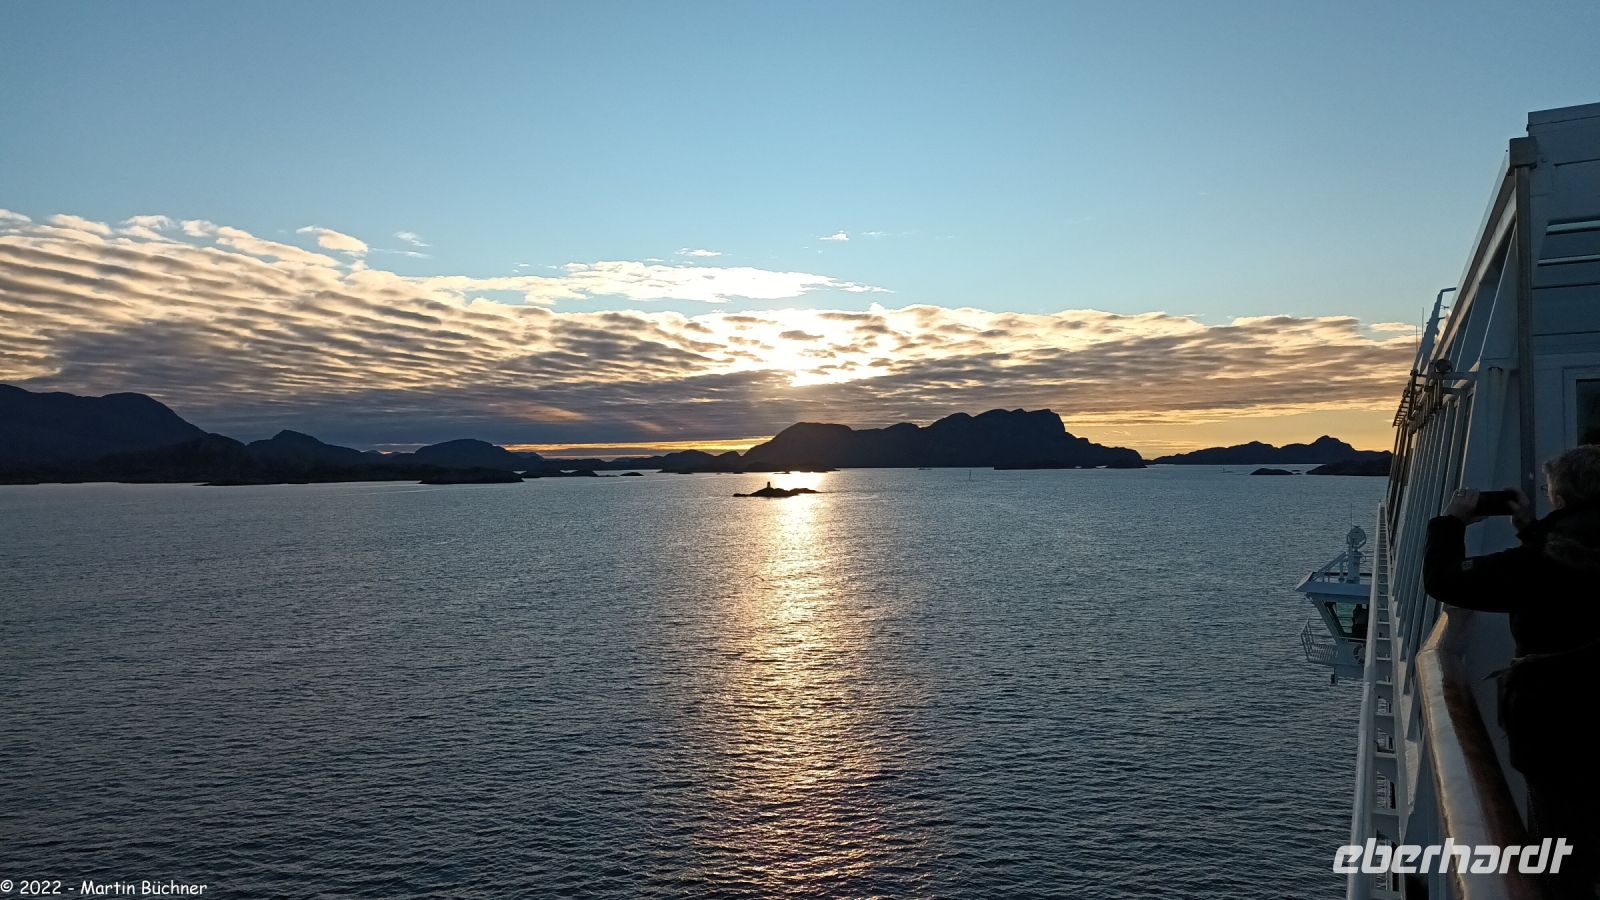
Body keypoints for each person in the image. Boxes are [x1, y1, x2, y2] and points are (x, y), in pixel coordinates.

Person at [1424, 445, 1600, 898]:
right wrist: (1529, 529)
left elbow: (1446, 581)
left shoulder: (1547, 564)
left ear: (1560, 497)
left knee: (1561, 852)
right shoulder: (1561, 549)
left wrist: (1451, 522)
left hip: (1559, 726)